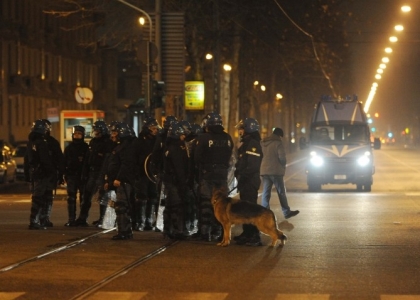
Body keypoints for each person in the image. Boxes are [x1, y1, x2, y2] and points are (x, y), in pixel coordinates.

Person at [194, 112, 234, 242]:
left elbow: (197, 157)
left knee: (206, 202)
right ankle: (219, 232)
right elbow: (230, 156)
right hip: (222, 175)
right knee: (221, 204)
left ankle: (205, 232)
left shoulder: (204, 138)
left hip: (208, 174)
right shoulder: (228, 138)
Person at [74, 120, 114, 227]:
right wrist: (85, 172)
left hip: (101, 173)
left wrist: (105, 175)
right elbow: (88, 159)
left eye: (97, 130)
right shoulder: (93, 142)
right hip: (92, 172)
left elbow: (108, 161)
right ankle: (82, 218)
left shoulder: (107, 143)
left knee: (103, 197)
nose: (95, 132)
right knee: (86, 196)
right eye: (94, 130)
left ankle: (103, 219)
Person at [104, 122, 137, 240]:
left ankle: (124, 231)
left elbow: (126, 164)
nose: (112, 135)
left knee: (121, 206)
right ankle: (124, 230)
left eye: (115, 132)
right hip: (119, 181)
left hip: (123, 182)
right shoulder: (119, 145)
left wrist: (119, 178)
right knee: (120, 206)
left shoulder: (125, 146)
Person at [233, 118, 263, 246]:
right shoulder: (247, 142)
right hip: (245, 181)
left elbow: (252, 166)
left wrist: (242, 175)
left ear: (248, 129)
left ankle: (255, 235)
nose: (239, 131)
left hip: (250, 181)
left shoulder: (253, 144)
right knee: (245, 209)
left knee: (251, 209)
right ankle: (247, 233)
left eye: (242, 128)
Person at [260, 127, 299, 219]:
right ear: (279, 135)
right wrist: (283, 164)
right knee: (281, 192)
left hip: (265, 171)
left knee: (265, 192)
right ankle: (286, 211)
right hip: (275, 171)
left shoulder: (263, 142)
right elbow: (282, 158)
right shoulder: (278, 143)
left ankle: (264, 213)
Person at [24, 120, 56, 230]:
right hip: (42, 173)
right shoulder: (41, 142)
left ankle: (36, 220)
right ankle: (34, 220)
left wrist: (27, 175)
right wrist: (51, 171)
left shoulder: (30, 142)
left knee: (37, 196)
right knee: (39, 197)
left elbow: (27, 159)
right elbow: (45, 159)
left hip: (34, 172)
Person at [162, 121, 190, 239]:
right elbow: (179, 167)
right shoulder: (177, 148)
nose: (184, 137)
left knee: (169, 205)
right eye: (182, 135)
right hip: (175, 181)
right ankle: (178, 231)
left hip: (170, 180)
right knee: (177, 205)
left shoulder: (169, 147)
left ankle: (168, 229)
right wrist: (183, 183)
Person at [131, 117, 160, 231]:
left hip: (152, 174)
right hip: (141, 174)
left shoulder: (157, 140)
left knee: (153, 196)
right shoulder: (139, 141)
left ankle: (149, 221)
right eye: (153, 128)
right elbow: (134, 158)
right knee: (141, 197)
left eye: (156, 128)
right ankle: (140, 221)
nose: (155, 130)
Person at [40, 119, 65, 227]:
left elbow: (59, 159)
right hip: (44, 174)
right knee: (43, 197)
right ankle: (43, 218)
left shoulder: (51, 142)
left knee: (45, 196)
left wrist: (60, 174)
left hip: (48, 174)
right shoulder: (41, 142)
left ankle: (43, 218)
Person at [63, 126, 89, 226]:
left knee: (84, 198)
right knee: (71, 198)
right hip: (71, 176)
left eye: (79, 134)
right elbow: (64, 161)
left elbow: (88, 162)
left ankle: (82, 219)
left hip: (83, 176)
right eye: (75, 134)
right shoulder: (69, 148)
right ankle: (71, 219)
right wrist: (64, 173)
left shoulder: (86, 148)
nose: (77, 135)